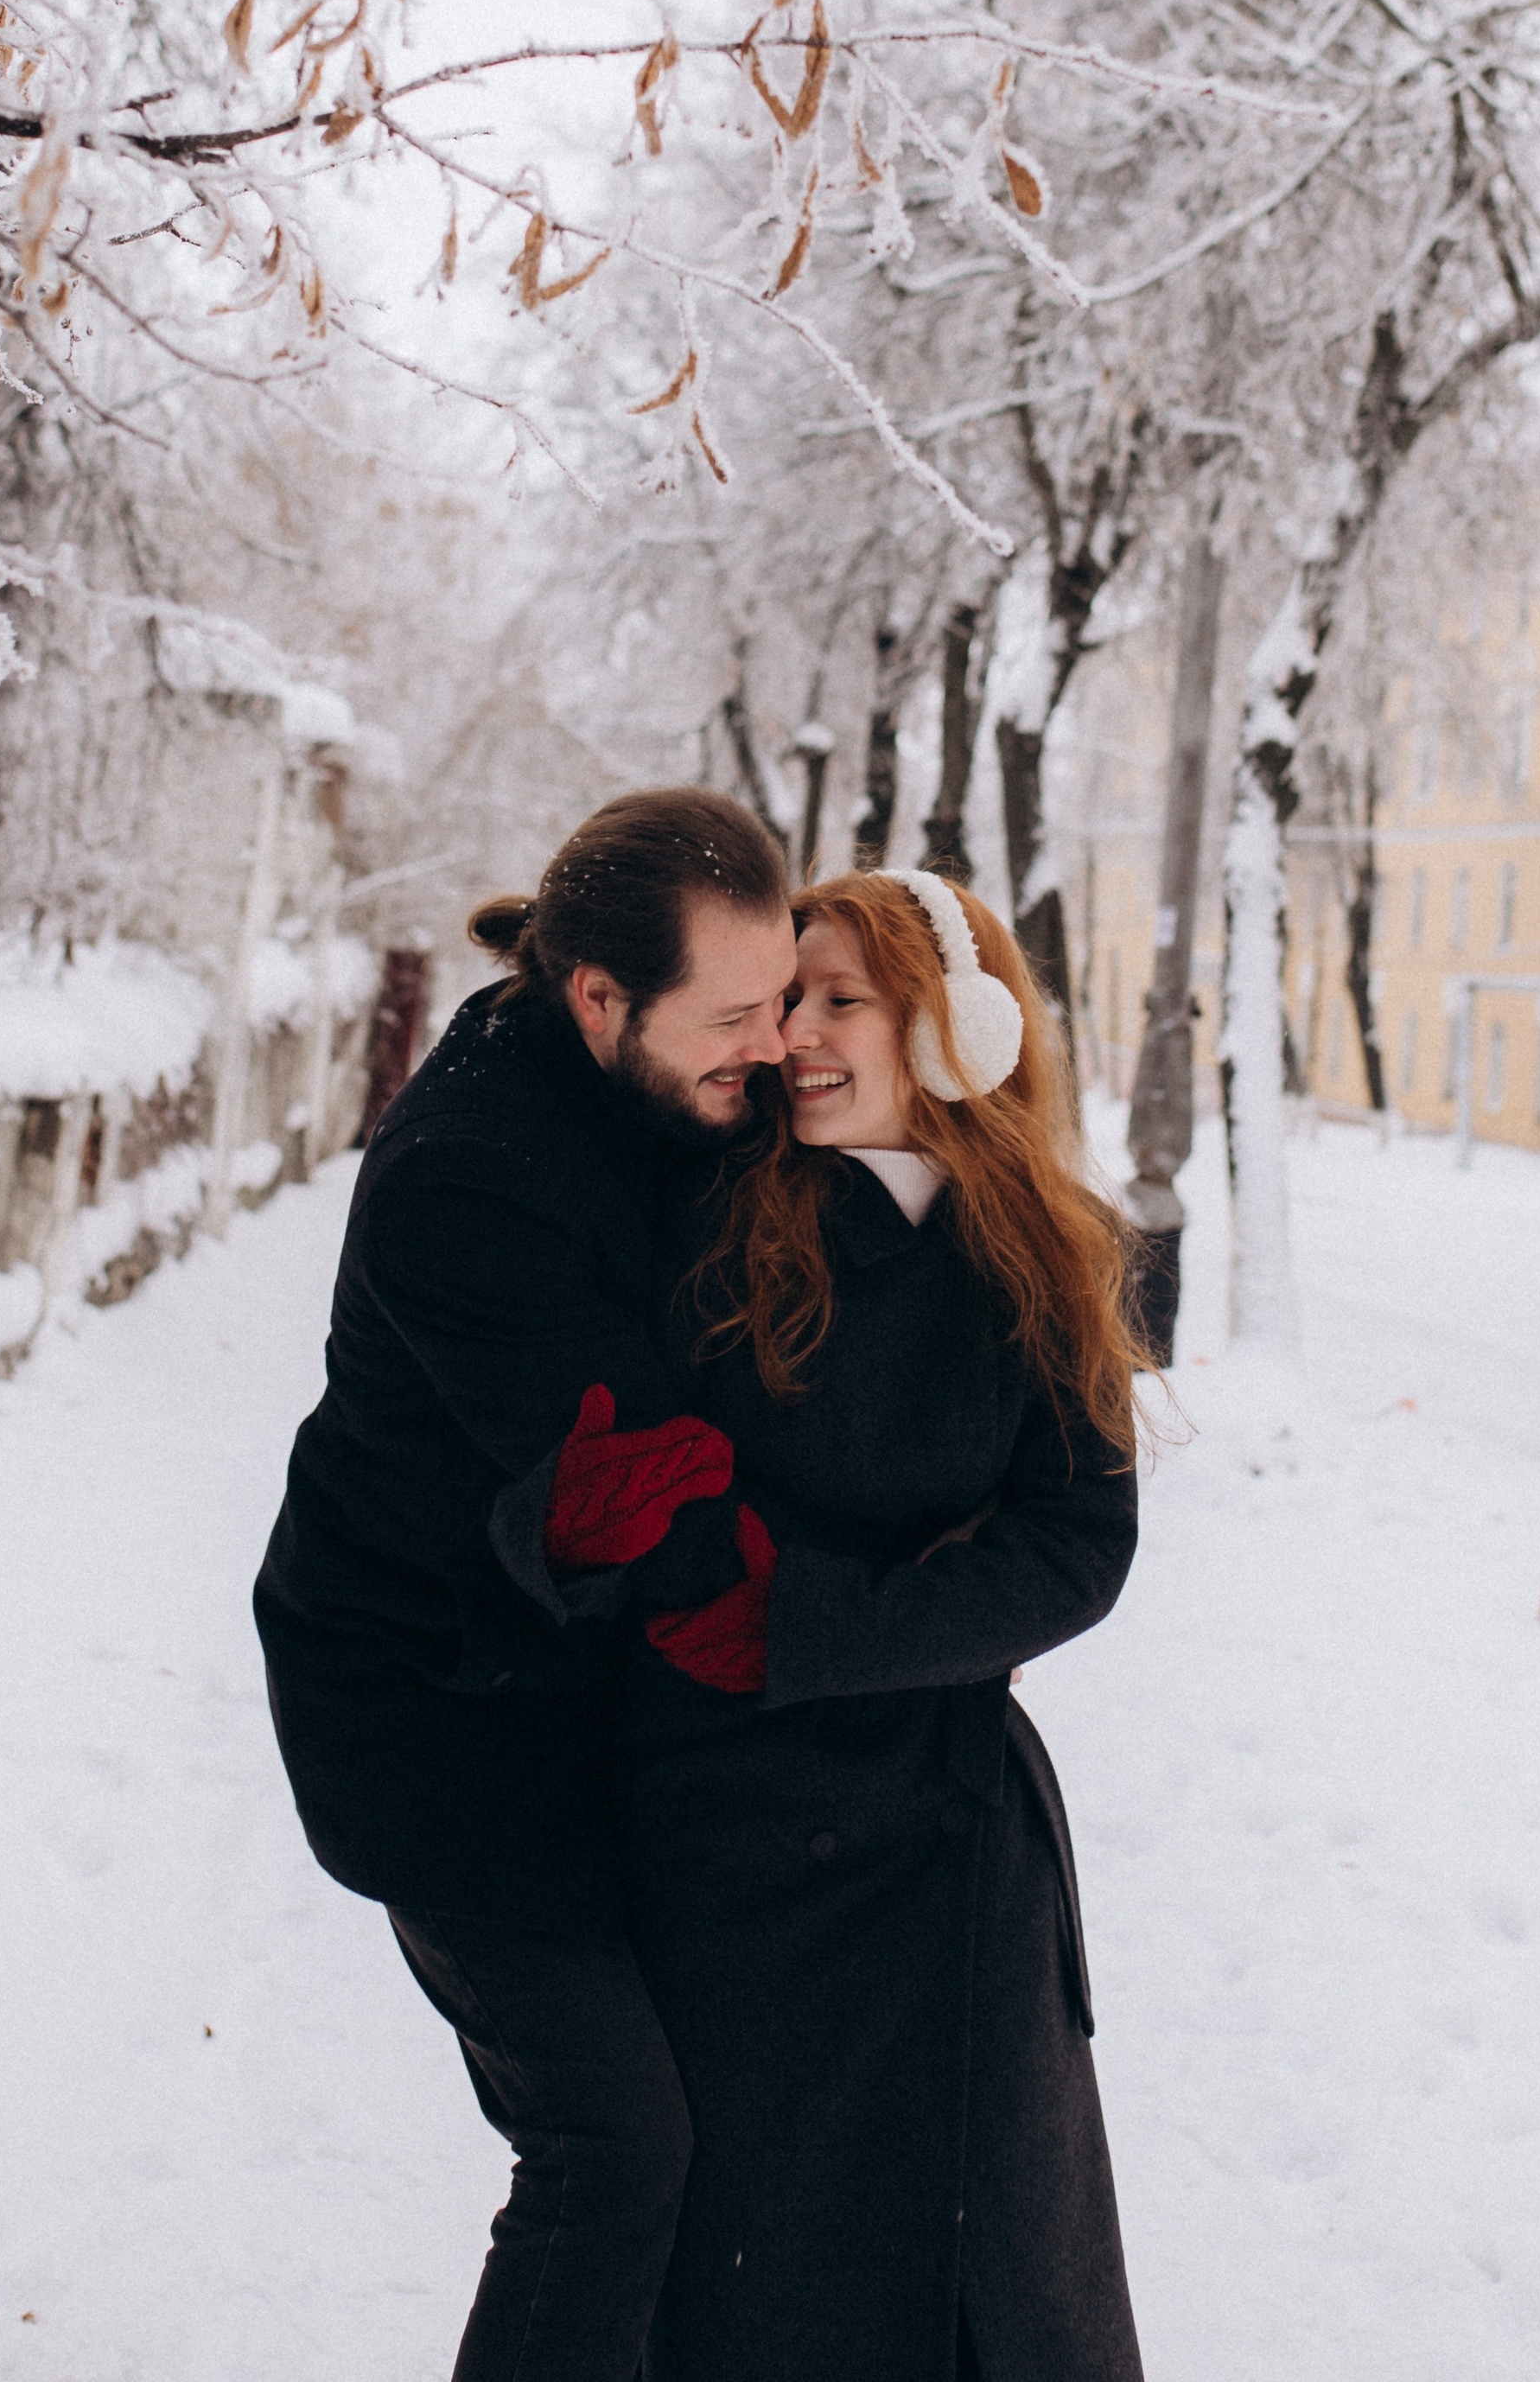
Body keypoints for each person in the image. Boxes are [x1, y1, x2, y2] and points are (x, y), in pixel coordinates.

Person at [252, 787, 796, 2382]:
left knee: (705, 2124)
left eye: (779, 1003)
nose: (766, 1048)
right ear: (599, 995)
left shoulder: (654, 1078)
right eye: (735, 1014)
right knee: (612, 2147)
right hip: (431, 1733)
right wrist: (892, 1604)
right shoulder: (469, 1179)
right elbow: (657, 1504)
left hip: (571, 1704)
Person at [615, 868, 1149, 2382]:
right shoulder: (713, 1223)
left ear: (960, 1028)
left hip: (957, 1854)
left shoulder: (1051, 1254)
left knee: (995, 2301)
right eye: (791, 1001)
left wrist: (815, 1621)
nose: (796, 1036)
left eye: (841, 997)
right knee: (762, 2292)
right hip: (731, 1843)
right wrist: (880, 1600)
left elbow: (1077, 1546)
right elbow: (673, 1514)